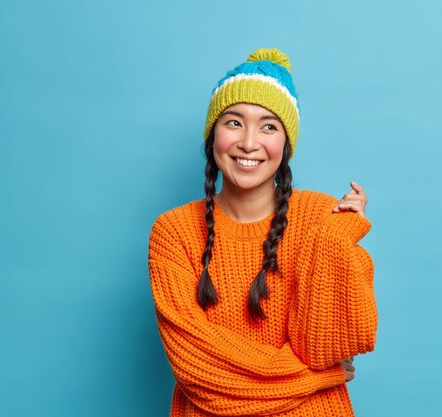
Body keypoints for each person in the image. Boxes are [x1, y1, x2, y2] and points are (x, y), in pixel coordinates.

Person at [148, 48, 377, 417]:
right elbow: (197, 369)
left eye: (269, 126)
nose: (250, 143)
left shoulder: (321, 216)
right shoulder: (173, 231)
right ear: (212, 134)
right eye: (234, 122)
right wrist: (317, 378)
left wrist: (336, 240)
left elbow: (332, 344)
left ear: (285, 144)